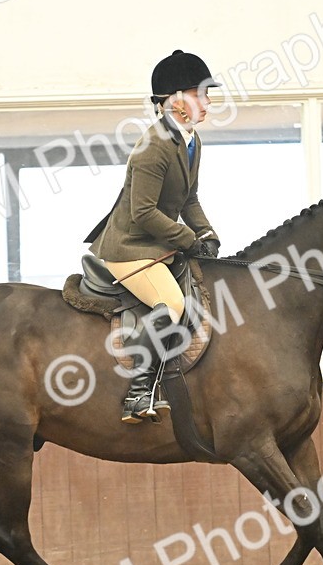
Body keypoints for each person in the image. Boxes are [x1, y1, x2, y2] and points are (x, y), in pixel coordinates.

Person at [84, 50, 222, 423]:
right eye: (201, 95)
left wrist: (207, 233)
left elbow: (189, 198)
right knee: (172, 304)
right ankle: (138, 393)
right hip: (129, 247)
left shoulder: (191, 140)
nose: (208, 103)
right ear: (176, 101)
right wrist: (187, 239)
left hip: (156, 244)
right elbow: (143, 213)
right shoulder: (153, 147)